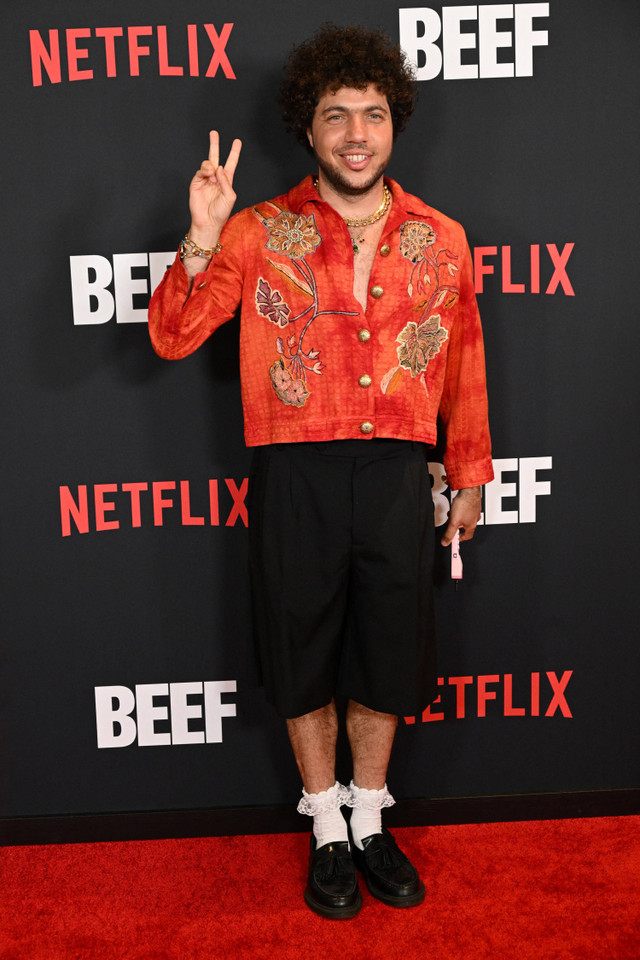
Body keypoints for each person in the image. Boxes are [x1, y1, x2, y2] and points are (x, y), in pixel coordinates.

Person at [149, 24, 493, 920]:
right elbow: (174, 336)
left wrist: (469, 474)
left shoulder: (444, 239)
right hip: (294, 473)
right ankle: (326, 828)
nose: (354, 133)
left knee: (386, 658)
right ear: (308, 129)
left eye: (372, 115)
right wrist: (199, 233)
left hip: (396, 476)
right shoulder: (258, 233)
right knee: (303, 659)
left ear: (394, 126)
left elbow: (462, 366)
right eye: (335, 115)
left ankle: (372, 818)